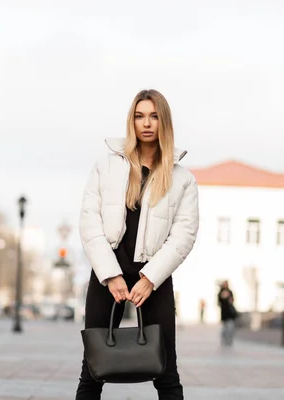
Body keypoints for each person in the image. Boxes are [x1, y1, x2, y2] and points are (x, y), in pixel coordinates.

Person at [76, 89, 200, 400]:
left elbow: (184, 235)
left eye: (154, 116)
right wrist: (110, 275)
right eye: (139, 115)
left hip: (153, 280)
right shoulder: (105, 166)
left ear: (164, 122)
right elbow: (90, 222)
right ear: (132, 121)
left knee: (167, 374)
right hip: (108, 277)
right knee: (92, 370)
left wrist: (150, 278)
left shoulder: (182, 178)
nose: (146, 123)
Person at [218, 280, 237, 346]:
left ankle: (229, 340)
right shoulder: (220, 292)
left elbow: (232, 300)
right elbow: (219, 302)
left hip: (230, 313)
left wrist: (229, 299)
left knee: (230, 327)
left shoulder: (230, 291)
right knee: (225, 328)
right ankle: (224, 339)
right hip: (224, 313)